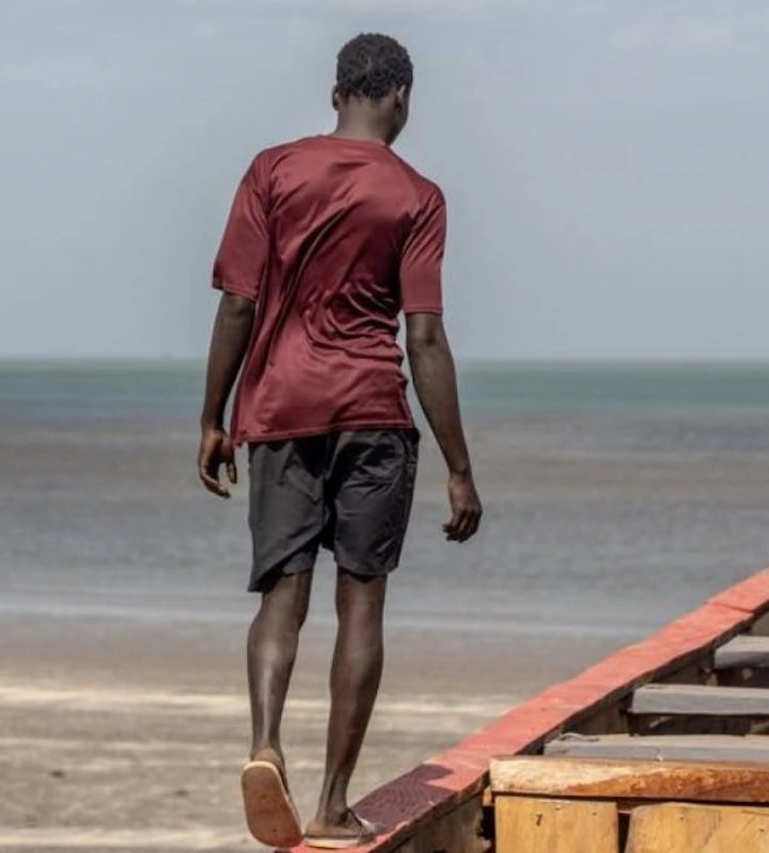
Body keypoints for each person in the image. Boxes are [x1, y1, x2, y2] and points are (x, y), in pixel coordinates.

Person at [196, 33, 482, 849]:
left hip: (282, 409)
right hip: (374, 414)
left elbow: (238, 306)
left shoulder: (272, 170)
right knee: (362, 602)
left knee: (281, 597)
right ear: (401, 100)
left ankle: (264, 745)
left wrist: (214, 416)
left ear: (334, 94)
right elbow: (424, 337)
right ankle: (329, 802)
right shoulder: (418, 195)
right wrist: (460, 466)